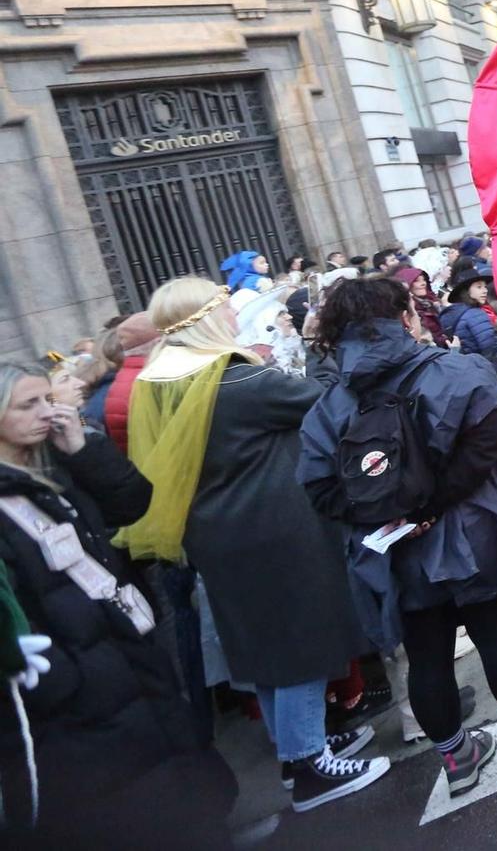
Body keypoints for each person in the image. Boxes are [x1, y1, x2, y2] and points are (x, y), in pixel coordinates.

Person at [119, 277, 386, 814]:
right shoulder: (237, 381)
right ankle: (310, 762)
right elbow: (326, 402)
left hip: (219, 537)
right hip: (275, 531)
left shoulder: (160, 380)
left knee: (262, 650)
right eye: (223, 307)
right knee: (299, 645)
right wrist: (317, 347)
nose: (234, 316)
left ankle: (294, 755)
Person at [299, 276, 497, 797]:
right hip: (467, 534)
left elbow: (319, 489)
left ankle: (458, 760)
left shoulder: (327, 409)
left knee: (426, 657)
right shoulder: (452, 370)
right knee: (495, 634)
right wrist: (432, 505)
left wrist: (389, 516)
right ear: (403, 317)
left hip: (393, 552)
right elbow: (486, 445)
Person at [0, 364, 236, 847]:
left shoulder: (53, 462)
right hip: (82, 690)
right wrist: (67, 678)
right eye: (29, 404)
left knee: (177, 783)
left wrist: (85, 449)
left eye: (48, 398)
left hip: (127, 655)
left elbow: (132, 503)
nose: (48, 412)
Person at [441, 263, 497, 377]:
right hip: (488, 372)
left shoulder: (451, 315)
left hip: (470, 373)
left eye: (484, 287)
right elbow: (491, 348)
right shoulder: (476, 314)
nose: (485, 291)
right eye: (479, 287)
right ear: (466, 291)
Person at [395, 266, 451, 346]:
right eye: (416, 281)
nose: (423, 283)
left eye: (424, 280)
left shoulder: (433, 302)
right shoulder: (409, 313)